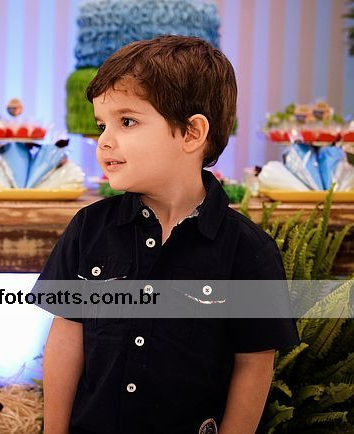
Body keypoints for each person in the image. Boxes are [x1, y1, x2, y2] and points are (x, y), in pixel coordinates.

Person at [34, 36, 299, 434]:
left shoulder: (247, 250)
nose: (104, 140)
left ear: (191, 133)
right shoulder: (88, 229)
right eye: (102, 125)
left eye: (127, 121)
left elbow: (254, 364)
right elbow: (66, 339)